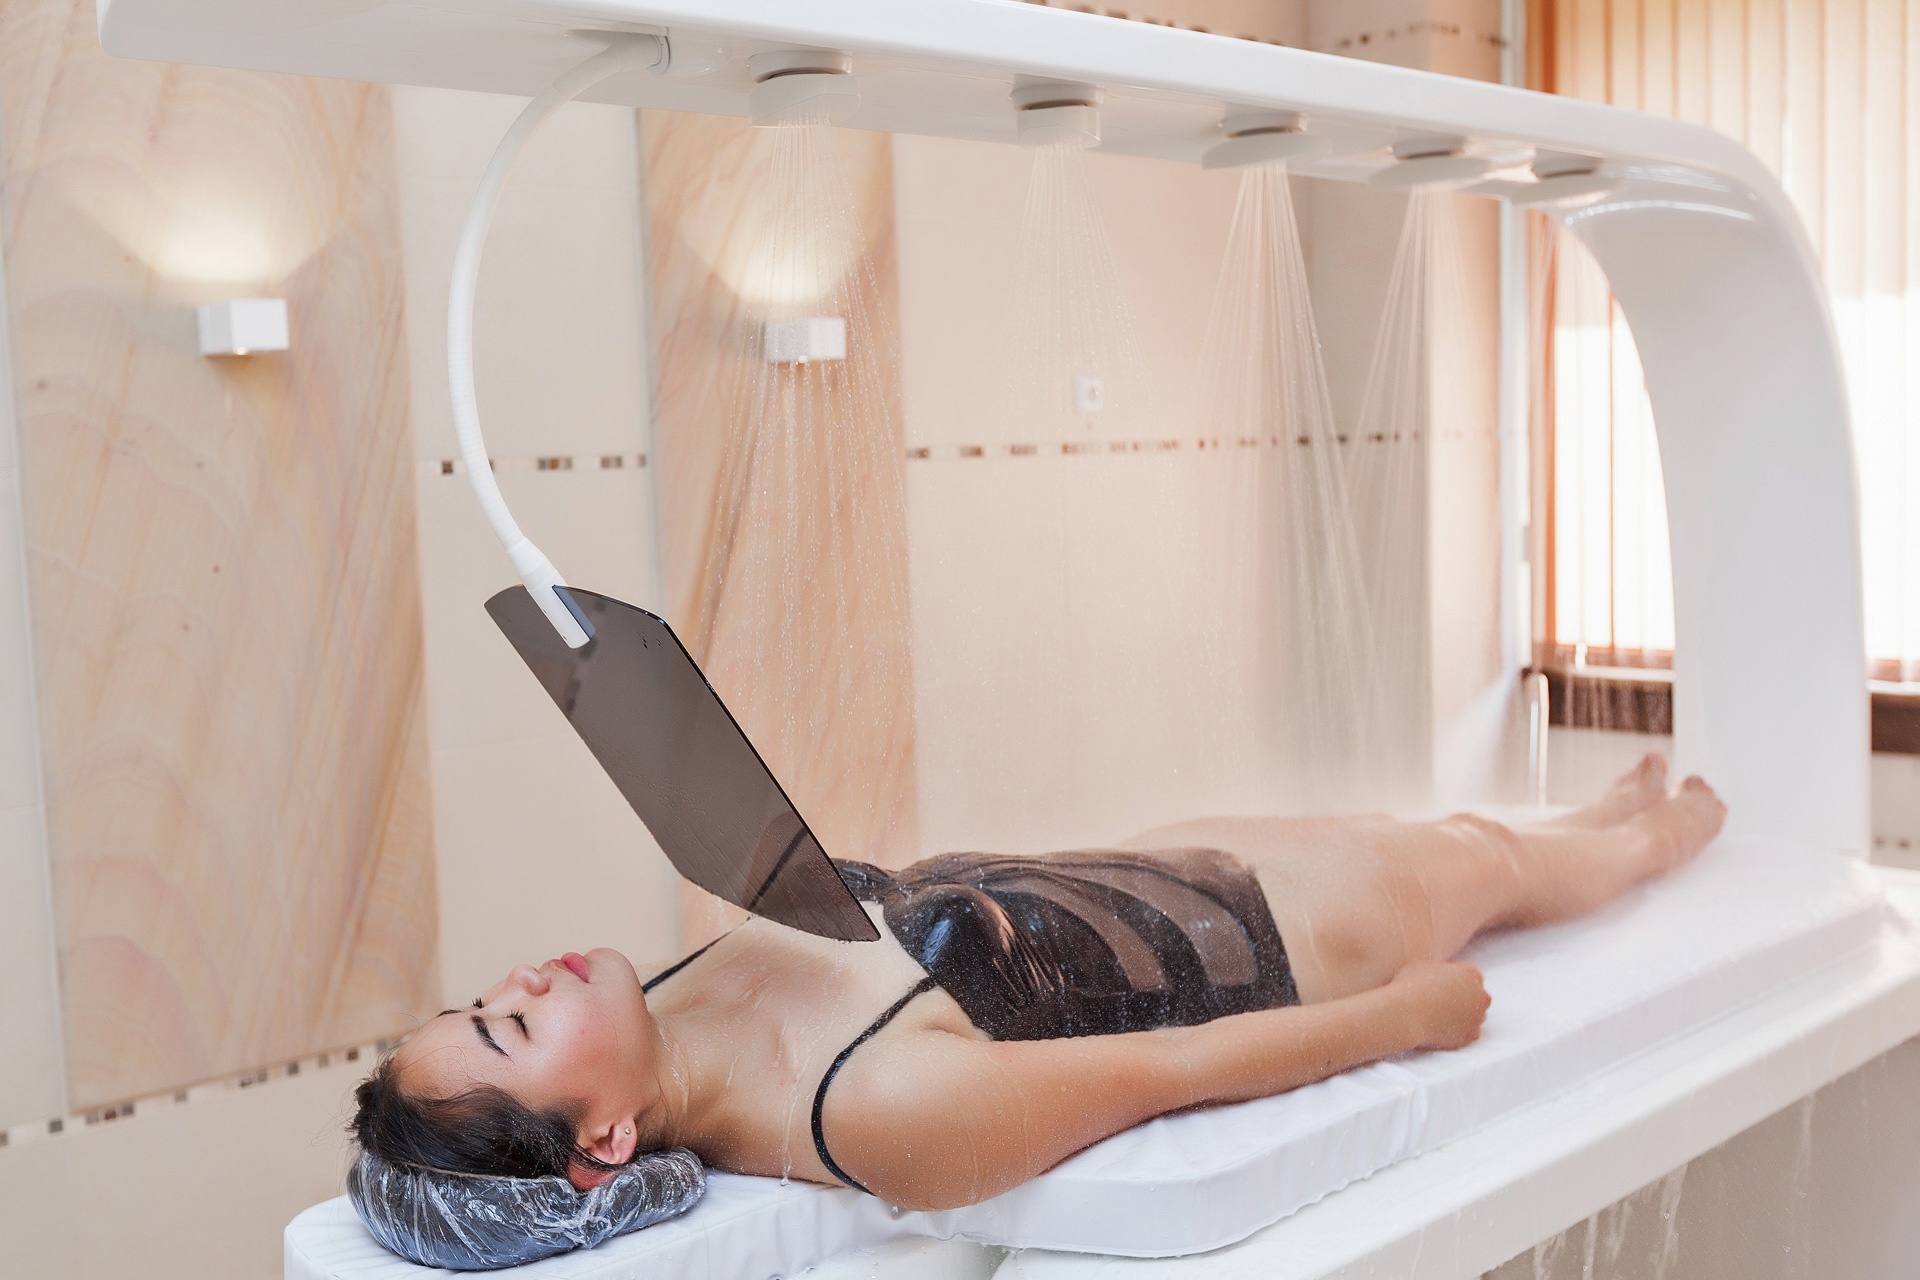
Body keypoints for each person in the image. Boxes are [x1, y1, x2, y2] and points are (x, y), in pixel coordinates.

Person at [353, 754, 1723, 1212]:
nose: (522, 980)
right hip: (1272, 944)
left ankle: (1592, 820)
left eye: (487, 997)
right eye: (512, 1025)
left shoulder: (675, 1002)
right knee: (1482, 858)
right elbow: (1166, 1072)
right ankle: (1656, 836)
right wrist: (1401, 1019)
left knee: (1440, 830)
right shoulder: (865, 1112)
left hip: (1139, 871)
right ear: (606, 1141)